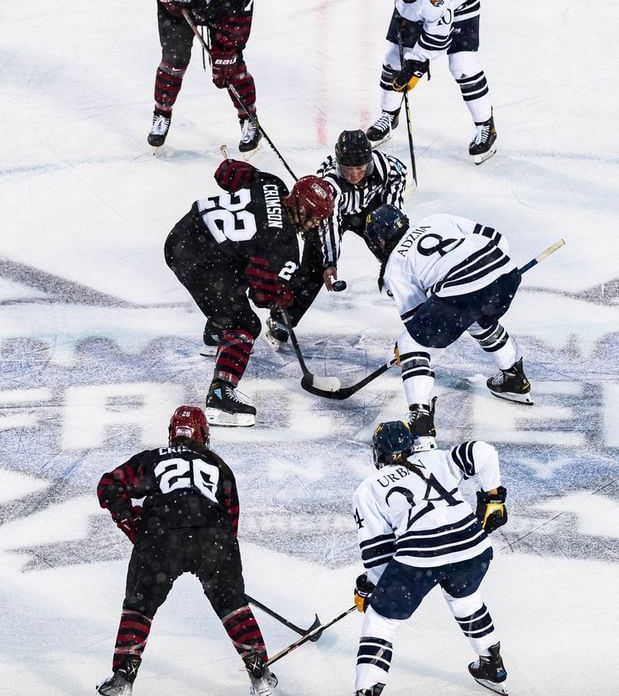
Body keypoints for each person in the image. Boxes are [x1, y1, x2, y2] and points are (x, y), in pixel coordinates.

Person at [95, 405, 279, 696]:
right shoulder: (218, 466)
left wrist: (130, 521)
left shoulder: (153, 458)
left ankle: (122, 680)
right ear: (203, 435)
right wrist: (226, 574)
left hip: (160, 533)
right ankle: (260, 673)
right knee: (232, 606)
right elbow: (232, 520)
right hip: (213, 535)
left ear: (172, 434)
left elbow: (109, 485)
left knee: (138, 607)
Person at [165, 157, 334, 426]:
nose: (315, 224)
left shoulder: (271, 184)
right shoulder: (283, 246)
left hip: (185, 232)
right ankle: (220, 395)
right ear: (300, 207)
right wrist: (284, 296)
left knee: (237, 267)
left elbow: (226, 172)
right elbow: (262, 296)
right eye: (313, 217)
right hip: (196, 259)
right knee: (244, 323)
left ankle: (215, 333)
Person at [351, 420, 510, 696]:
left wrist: (373, 588)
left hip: (421, 561)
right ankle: (492, 665)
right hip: (473, 550)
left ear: (377, 453)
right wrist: (493, 497)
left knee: (380, 621)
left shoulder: (368, 489)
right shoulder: (436, 458)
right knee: (466, 599)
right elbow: (483, 451)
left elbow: (378, 551)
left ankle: (366, 690)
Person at [362, 204, 532, 433]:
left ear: (379, 241)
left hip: (463, 288)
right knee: (477, 316)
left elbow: (419, 322)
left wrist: (407, 353)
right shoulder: (437, 218)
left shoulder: (395, 267)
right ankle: (513, 377)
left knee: (411, 343)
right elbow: (498, 239)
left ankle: (420, 418)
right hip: (505, 276)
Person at [263, 130, 409, 351]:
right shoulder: (330, 184)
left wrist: (388, 212)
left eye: (360, 168)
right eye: (348, 169)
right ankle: (282, 317)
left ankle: (418, 303)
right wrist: (330, 262)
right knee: (315, 266)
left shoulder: (384, 166)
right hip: (330, 212)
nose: (354, 175)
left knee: (397, 253)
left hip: (369, 207)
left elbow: (400, 175)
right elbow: (329, 223)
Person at [366, 0, 497, 164]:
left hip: (461, 6)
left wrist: (415, 64)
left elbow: (437, 41)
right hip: (414, 9)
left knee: (462, 64)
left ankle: (486, 125)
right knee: (393, 58)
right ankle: (388, 115)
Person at [139, 0, 261, 154]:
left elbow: (240, 25)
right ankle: (161, 113)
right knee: (174, 61)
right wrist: (170, 2)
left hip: (223, 13)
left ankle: (249, 118)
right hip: (182, 14)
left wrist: (226, 53)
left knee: (232, 67)